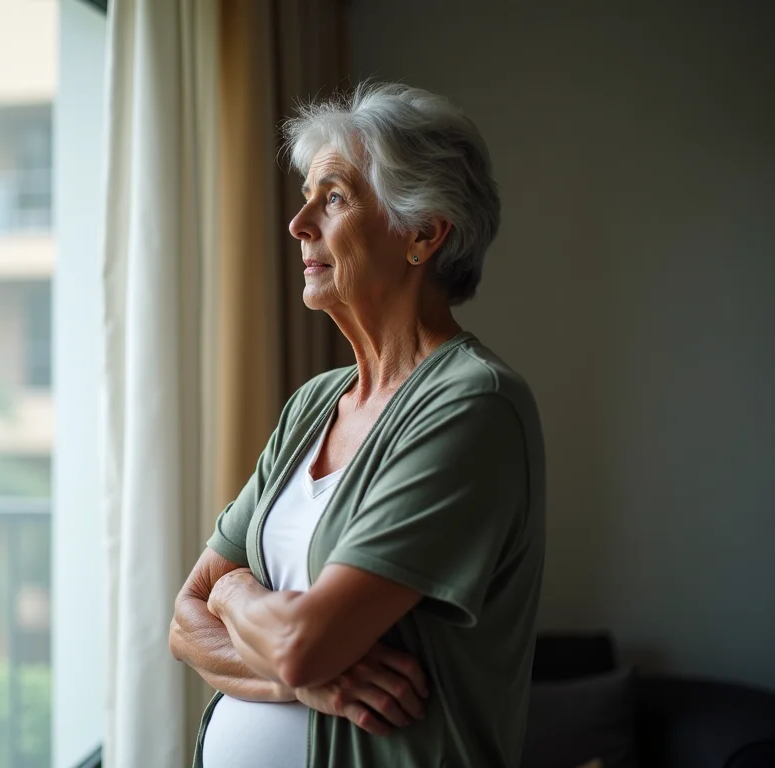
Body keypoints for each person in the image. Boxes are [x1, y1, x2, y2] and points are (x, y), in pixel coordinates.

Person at [169, 82, 547, 767]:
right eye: (307, 194)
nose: (299, 223)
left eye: (334, 197)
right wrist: (313, 688)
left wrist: (236, 592)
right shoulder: (315, 404)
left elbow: (295, 642)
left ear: (424, 233)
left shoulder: (472, 405)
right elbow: (184, 623)